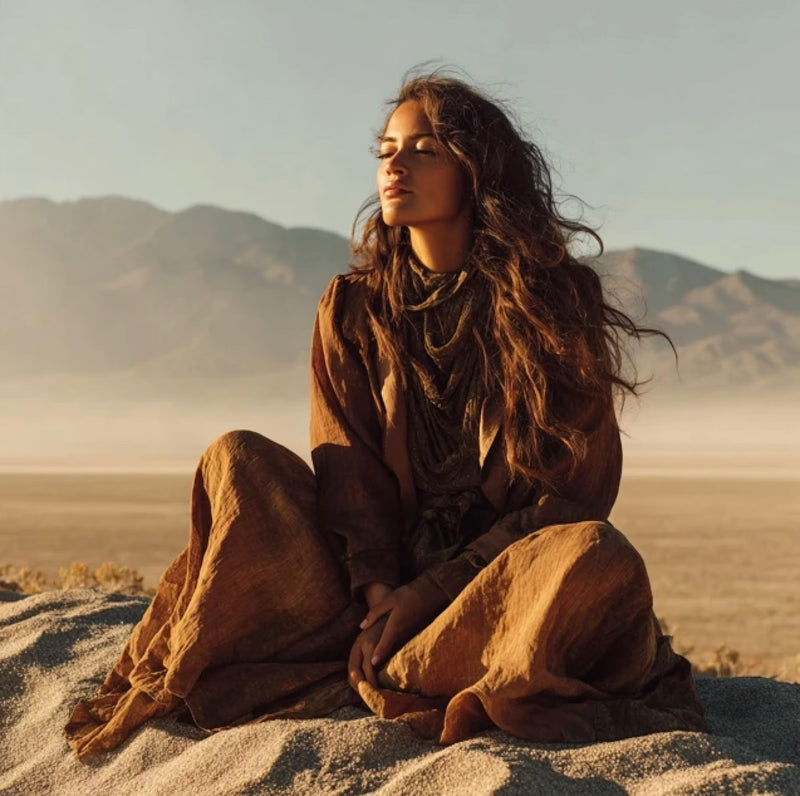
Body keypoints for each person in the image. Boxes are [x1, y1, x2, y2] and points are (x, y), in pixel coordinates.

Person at [66, 69, 707, 759]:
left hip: (495, 584)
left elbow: (569, 497)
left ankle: (412, 664)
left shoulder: (553, 305)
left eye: (424, 148)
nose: (393, 165)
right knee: (237, 461)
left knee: (597, 559)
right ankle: (394, 657)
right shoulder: (351, 307)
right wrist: (380, 594)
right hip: (363, 593)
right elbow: (347, 472)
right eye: (385, 149)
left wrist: (427, 595)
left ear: (476, 171)